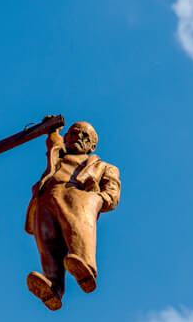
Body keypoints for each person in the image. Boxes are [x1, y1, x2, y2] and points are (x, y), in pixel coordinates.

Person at [24, 120, 121, 311]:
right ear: (67, 137)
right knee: (48, 243)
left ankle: (85, 268)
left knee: (78, 230)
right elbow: (53, 143)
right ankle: (53, 287)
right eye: (75, 133)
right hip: (47, 198)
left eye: (86, 136)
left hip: (77, 197)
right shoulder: (58, 157)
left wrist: (96, 199)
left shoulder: (103, 167)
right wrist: (52, 130)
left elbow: (112, 192)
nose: (79, 137)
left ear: (92, 146)